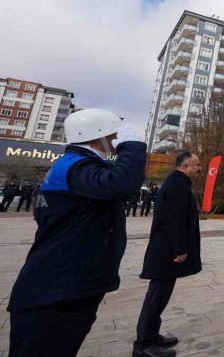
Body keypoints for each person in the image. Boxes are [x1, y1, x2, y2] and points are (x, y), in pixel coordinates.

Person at [7, 108, 146, 357]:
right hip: (57, 291)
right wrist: (133, 146)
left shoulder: (72, 166)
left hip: (65, 284)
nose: (116, 139)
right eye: (113, 134)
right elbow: (122, 185)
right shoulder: (77, 167)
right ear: (98, 135)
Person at [133, 152, 203, 357]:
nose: (200, 168)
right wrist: (179, 249)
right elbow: (174, 220)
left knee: (160, 295)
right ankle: (143, 344)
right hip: (166, 252)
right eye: (197, 165)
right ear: (185, 166)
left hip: (166, 250)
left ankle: (152, 336)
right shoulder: (177, 185)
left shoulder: (177, 183)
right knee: (156, 296)